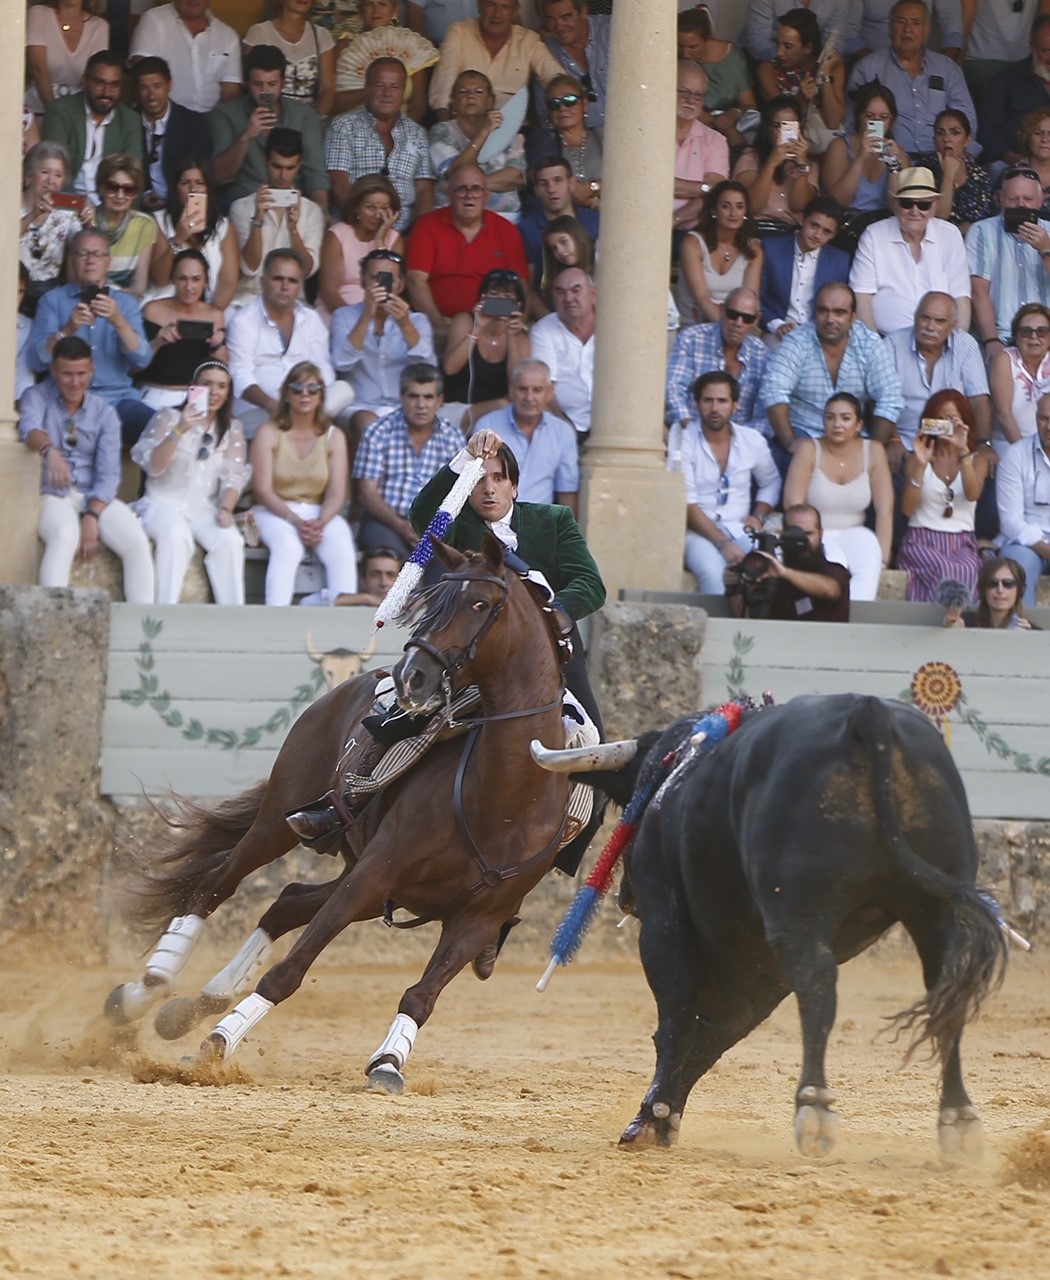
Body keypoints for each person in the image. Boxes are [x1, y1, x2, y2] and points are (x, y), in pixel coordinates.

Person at [286, 422, 607, 846]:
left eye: (498, 479)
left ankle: (555, 850)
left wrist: (557, 613)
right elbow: (423, 515)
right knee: (404, 718)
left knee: (595, 751)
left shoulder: (553, 520)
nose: (489, 490)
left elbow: (589, 582)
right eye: (479, 481)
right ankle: (345, 805)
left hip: (548, 655)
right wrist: (463, 461)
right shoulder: (459, 524)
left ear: (514, 485)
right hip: (469, 656)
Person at [17, 335, 154, 602]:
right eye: (67, 374)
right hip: (51, 495)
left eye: (81, 373)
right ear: (54, 370)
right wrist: (50, 450)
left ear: (91, 370)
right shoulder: (36, 396)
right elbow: (29, 429)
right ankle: (52, 622)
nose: (75, 381)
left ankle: (143, 631)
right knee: (65, 534)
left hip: (93, 495)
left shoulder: (104, 412)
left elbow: (109, 473)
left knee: (136, 541)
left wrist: (92, 514)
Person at [131, 359, 250, 605]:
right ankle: (164, 614)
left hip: (203, 508)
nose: (214, 392)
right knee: (175, 536)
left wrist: (227, 508)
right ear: (193, 387)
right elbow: (154, 467)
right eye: (207, 384)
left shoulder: (232, 428)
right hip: (162, 502)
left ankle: (234, 621)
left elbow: (233, 477)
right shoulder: (168, 416)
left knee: (230, 540)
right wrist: (180, 429)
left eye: (221, 386)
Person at [759, 282, 904, 475]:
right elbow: (773, 390)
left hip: (851, 435)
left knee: (892, 469)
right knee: (788, 463)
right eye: (823, 311)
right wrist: (790, 442)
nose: (830, 319)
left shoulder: (869, 344)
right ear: (814, 313)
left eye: (839, 312)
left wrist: (873, 451)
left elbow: (890, 397)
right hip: (804, 430)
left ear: (853, 317)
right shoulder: (798, 341)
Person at [28, 228, 154, 447]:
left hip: (118, 400)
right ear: (71, 259)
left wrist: (119, 321)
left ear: (108, 262)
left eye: (97, 255)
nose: (90, 260)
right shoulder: (52, 301)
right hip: (67, 401)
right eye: (82, 254)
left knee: (156, 428)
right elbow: (36, 361)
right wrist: (67, 329)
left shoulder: (124, 304)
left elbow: (143, 359)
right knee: (71, 438)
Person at [249, 361, 359, 606]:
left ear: (321, 395)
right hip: (272, 510)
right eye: (297, 388)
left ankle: (344, 623)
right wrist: (296, 522)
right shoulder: (268, 431)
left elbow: (337, 493)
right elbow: (262, 489)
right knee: (287, 545)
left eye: (313, 388)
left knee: (341, 541)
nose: (304, 394)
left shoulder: (333, 435)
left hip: (317, 510)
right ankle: (275, 618)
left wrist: (319, 522)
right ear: (286, 394)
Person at [227, 248, 353, 435]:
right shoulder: (242, 321)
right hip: (261, 411)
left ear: (300, 286)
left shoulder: (311, 319)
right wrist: (274, 406)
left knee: (344, 389)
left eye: (292, 281)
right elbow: (240, 375)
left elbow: (323, 368)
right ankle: (303, 427)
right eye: (278, 279)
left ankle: (300, 423)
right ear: (262, 282)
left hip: (305, 402)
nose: (285, 286)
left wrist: (306, 398)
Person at [783, 392, 893, 599]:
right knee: (834, 566)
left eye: (845, 418)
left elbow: (885, 510)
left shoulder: (874, 450)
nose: (837, 424)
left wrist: (884, 559)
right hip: (817, 534)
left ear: (859, 425)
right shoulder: (808, 448)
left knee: (870, 564)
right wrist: (805, 544)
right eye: (830, 417)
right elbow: (793, 505)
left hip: (855, 531)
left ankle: (856, 625)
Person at [681, 370, 781, 594]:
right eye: (708, 400)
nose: (715, 408)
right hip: (698, 533)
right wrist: (723, 543)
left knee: (772, 566)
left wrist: (758, 516)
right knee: (714, 577)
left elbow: (771, 482)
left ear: (735, 405)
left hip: (741, 528)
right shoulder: (684, 440)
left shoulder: (752, 439)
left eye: (722, 401)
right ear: (697, 404)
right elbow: (686, 502)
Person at [405, 165, 529, 344]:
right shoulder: (427, 226)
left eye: (476, 189)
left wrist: (497, 324)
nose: (469, 195)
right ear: (449, 193)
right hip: (441, 321)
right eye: (461, 189)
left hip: (494, 322)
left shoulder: (505, 230)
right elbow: (415, 281)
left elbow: (521, 287)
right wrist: (438, 325)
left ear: (486, 195)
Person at [352, 361, 465, 554]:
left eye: (428, 397)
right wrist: (400, 526)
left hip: (436, 527)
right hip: (386, 522)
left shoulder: (453, 438)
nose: (421, 405)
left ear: (439, 401)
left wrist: (434, 528)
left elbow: (460, 493)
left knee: (450, 568)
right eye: (414, 396)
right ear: (401, 398)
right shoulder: (378, 432)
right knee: (387, 557)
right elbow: (367, 493)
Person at [847, 0, 976, 160]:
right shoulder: (867, 68)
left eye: (916, 23)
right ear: (890, 29)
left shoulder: (948, 69)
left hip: (942, 160)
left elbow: (966, 119)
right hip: (888, 161)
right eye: (901, 22)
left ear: (926, 31)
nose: (908, 29)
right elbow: (852, 125)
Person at [850, 167, 971, 336]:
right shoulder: (874, 234)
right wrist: (874, 348)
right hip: (886, 340)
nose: (915, 211)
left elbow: (961, 298)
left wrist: (958, 344)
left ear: (935, 206)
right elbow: (862, 298)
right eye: (907, 203)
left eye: (923, 205)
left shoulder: (949, 235)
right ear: (895, 205)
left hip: (940, 342)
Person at [210, 44, 329, 213]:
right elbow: (220, 176)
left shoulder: (304, 115)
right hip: (243, 206)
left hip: (291, 206)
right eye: (257, 84)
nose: (265, 92)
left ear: (283, 83)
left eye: (272, 84)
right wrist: (246, 136)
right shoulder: (224, 115)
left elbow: (315, 174)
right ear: (247, 83)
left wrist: (320, 214)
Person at [330, 248, 435, 438]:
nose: (381, 285)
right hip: (359, 406)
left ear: (400, 285)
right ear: (362, 281)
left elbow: (428, 370)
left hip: (405, 407)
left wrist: (404, 324)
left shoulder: (417, 321)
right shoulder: (343, 316)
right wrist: (366, 316)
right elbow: (341, 362)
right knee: (369, 424)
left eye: (388, 279)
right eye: (374, 278)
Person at [897, 389, 989, 601]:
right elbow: (907, 509)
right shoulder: (916, 458)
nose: (946, 425)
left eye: (952, 419)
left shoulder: (977, 460)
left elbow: (972, 494)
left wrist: (963, 450)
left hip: (961, 541)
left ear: (965, 422)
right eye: (940, 419)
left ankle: (957, 626)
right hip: (921, 539)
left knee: (966, 569)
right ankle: (941, 624)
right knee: (945, 569)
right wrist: (921, 464)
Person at [324, 56, 435, 231]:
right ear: (366, 89)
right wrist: (366, 230)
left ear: (403, 91)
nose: (387, 93)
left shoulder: (417, 133)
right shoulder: (344, 126)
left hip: (404, 231)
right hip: (356, 227)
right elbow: (339, 184)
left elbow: (424, 190)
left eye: (395, 87)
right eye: (379, 86)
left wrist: (417, 233)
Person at [882, 291, 991, 464]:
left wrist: (983, 443)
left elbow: (979, 399)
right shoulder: (893, 344)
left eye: (939, 321)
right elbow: (880, 400)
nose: (930, 327)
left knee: (986, 463)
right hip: (905, 444)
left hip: (954, 446)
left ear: (953, 325)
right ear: (915, 317)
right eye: (925, 318)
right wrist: (893, 440)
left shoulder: (966, 345)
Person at [229, 128, 326, 306]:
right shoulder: (241, 207)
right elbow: (250, 268)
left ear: (300, 164)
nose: (283, 175)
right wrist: (257, 221)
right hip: (247, 299)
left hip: (293, 302)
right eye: (277, 166)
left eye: (290, 168)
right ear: (265, 160)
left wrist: (293, 230)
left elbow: (306, 271)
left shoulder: (312, 211)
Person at [666, 287, 769, 446]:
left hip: (741, 444)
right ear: (722, 310)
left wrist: (740, 441)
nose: (738, 323)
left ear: (756, 320)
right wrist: (691, 430)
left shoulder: (762, 354)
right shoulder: (691, 339)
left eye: (747, 318)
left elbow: (765, 413)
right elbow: (673, 389)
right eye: (733, 315)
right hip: (691, 436)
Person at [471, 358, 579, 508]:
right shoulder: (487, 426)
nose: (529, 398)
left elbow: (567, 492)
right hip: (492, 521)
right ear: (511, 390)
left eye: (537, 390)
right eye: (522, 389)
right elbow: (477, 483)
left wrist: (567, 530)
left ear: (549, 393)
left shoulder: (562, 432)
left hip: (539, 522)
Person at [428, 0, 563, 117]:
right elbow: (442, 90)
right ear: (479, 5)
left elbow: (555, 77)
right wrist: (452, 133)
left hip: (510, 128)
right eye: (491, 5)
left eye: (505, 7)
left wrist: (570, 99)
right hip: (463, 124)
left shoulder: (529, 40)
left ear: (515, 11)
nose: (497, 14)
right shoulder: (459, 32)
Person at [724, 501, 851, 622]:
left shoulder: (835, 572)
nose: (802, 540)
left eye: (808, 533)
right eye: (795, 534)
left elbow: (830, 590)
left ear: (820, 533)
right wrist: (733, 588)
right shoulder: (773, 578)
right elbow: (750, 623)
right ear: (783, 534)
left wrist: (785, 573)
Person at [41, 50, 143, 200]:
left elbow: (132, 175)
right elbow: (55, 170)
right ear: (85, 81)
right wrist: (77, 205)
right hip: (65, 204)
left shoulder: (129, 120)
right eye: (100, 83)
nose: (106, 92)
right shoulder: (60, 111)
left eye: (114, 85)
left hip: (111, 206)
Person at [966, 166, 1050, 348]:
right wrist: (991, 340)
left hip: (1046, 338)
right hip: (1002, 336)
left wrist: (1046, 250)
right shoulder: (981, 231)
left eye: (1028, 199)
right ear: (1000, 199)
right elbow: (978, 292)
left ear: (1041, 199)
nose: (1021, 204)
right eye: (1013, 198)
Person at [429, 69, 526, 220]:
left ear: (490, 101)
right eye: (463, 92)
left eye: (479, 92)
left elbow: (517, 177)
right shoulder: (441, 131)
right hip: (452, 217)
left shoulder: (507, 131)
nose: (471, 96)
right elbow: (452, 173)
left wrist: (469, 188)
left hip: (504, 218)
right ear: (453, 101)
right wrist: (484, 131)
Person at [440, 268, 530, 430]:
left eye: (507, 298)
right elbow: (449, 368)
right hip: (455, 410)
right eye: (494, 295)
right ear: (483, 299)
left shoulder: (521, 338)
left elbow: (517, 386)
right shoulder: (465, 321)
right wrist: (477, 329)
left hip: (495, 418)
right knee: (503, 406)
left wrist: (511, 337)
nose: (500, 303)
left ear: (518, 305)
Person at [139, 249, 229, 409]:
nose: (189, 287)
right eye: (182, 279)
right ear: (173, 279)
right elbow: (134, 366)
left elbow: (221, 367)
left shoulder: (214, 315)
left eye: (196, 279)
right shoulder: (153, 310)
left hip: (198, 395)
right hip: (156, 392)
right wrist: (157, 342)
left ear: (205, 281)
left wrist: (217, 344)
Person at [147, 157, 239, 312]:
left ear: (208, 188)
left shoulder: (224, 227)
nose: (193, 189)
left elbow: (228, 281)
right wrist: (178, 238)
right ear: (175, 189)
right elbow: (160, 279)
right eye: (185, 183)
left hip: (212, 308)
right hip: (168, 308)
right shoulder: (159, 222)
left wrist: (210, 314)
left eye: (200, 183)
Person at [754, 7, 845, 156]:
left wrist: (825, 74)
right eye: (778, 44)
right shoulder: (768, 70)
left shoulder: (834, 66)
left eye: (788, 46)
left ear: (807, 48)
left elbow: (833, 122)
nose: (779, 52)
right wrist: (800, 100)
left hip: (825, 150)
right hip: (784, 148)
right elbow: (780, 123)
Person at [821, 82, 909, 234]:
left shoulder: (898, 153)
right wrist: (861, 157)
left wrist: (894, 166)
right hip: (847, 227)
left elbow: (896, 207)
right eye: (869, 116)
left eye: (884, 117)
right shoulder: (840, 146)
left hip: (885, 228)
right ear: (859, 116)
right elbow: (838, 200)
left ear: (891, 121)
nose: (876, 122)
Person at [759, 196, 850, 342]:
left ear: (833, 234)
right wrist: (777, 325)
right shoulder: (771, 248)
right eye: (814, 226)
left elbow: (841, 308)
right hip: (776, 332)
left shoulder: (839, 261)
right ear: (802, 219)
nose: (817, 235)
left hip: (818, 336)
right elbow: (757, 298)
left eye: (826, 231)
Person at [128, 0, 243, 115]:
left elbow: (231, 92)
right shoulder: (154, 20)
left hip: (212, 119)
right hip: (163, 117)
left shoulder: (227, 35)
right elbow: (142, 74)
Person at [20, 141, 94, 316]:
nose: (51, 181)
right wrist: (33, 216)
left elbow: (81, 247)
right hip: (11, 285)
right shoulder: (10, 204)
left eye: (58, 175)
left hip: (49, 291)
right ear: (29, 175)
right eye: (44, 172)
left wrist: (89, 224)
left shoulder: (67, 214)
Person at [332, 0, 437, 122]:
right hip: (351, 126)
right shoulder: (345, 45)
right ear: (361, 11)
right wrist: (368, 92)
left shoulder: (411, 45)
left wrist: (402, 133)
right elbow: (330, 103)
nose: (376, 11)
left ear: (395, 10)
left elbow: (418, 104)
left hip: (399, 126)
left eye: (383, 4)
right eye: (369, 4)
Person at [676, 180, 763, 328]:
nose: (733, 213)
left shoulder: (753, 250)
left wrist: (734, 329)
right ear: (713, 210)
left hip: (736, 328)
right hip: (695, 326)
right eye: (725, 206)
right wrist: (728, 328)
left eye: (740, 207)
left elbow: (750, 301)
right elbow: (702, 298)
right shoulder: (692, 243)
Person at [317, 173, 404, 321]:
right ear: (356, 208)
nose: (377, 215)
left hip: (380, 316)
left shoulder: (394, 239)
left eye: (384, 208)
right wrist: (352, 322)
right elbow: (329, 291)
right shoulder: (338, 234)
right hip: (337, 314)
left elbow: (386, 292)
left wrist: (380, 243)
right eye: (370, 207)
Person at [132, 56, 213, 212]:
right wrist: (145, 194)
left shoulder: (193, 122)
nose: (151, 95)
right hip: (139, 208)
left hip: (183, 207)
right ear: (136, 90)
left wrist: (172, 199)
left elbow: (200, 170)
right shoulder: (129, 120)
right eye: (144, 88)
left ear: (169, 85)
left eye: (157, 86)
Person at [731, 97, 819, 235]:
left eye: (789, 126)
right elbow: (752, 207)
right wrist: (771, 163)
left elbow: (799, 206)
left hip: (789, 234)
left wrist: (801, 164)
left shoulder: (809, 165)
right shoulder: (750, 157)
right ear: (767, 129)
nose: (783, 132)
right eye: (777, 126)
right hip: (755, 230)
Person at [675, 6, 757, 153]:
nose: (685, 53)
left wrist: (734, 113)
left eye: (693, 47)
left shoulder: (732, 58)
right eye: (680, 46)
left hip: (730, 126)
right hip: (689, 125)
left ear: (708, 39)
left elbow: (749, 104)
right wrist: (710, 120)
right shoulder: (674, 57)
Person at [517, 155, 599, 297]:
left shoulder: (596, 222)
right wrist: (550, 318)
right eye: (543, 184)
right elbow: (527, 290)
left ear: (571, 183)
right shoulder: (525, 230)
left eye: (558, 180)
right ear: (536, 190)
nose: (551, 189)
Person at [996, 390, 1050, 605]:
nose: (1049, 427)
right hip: (1027, 545)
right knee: (1017, 566)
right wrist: (1045, 548)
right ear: (1036, 418)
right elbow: (1010, 521)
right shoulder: (1016, 455)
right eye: (1044, 418)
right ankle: (1016, 634)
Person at [529, 265, 596, 438]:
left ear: (593, 294)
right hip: (564, 423)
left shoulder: (614, 326)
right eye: (560, 292)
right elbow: (544, 388)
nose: (568, 298)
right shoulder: (543, 330)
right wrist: (564, 427)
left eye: (576, 290)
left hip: (612, 424)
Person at [244, 0, 336, 117]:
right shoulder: (259, 33)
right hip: (269, 117)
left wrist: (315, 121)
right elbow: (256, 84)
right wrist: (268, 120)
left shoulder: (322, 35)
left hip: (309, 117)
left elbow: (327, 89)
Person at [980, 14, 1050, 165]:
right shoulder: (1006, 80)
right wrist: (1012, 158)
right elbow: (987, 131)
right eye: (1046, 51)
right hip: (1014, 165)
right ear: (1032, 46)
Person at [672, 60, 730, 236]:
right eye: (684, 92)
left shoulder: (715, 140)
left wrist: (672, 221)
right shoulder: (648, 132)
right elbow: (645, 182)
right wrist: (703, 188)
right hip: (643, 225)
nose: (691, 100)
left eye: (698, 95)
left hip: (693, 233)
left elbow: (715, 195)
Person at [25, 0, 109, 119]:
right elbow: (38, 69)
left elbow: (96, 76)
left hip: (78, 112)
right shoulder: (39, 14)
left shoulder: (99, 26)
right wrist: (55, 113)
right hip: (38, 109)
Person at [989, 303, 1050, 456]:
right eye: (1026, 331)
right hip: (1009, 445)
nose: (1034, 336)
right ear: (1015, 336)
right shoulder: (1004, 359)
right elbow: (1003, 414)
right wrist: (1027, 456)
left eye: (1042, 331)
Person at [539, 0, 611, 130]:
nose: (559, 26)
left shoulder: (611, 31)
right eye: (551, 19)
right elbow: (545, 115)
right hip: (582, 142)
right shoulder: (544, 54)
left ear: (583, 11)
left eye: (566, 17)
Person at [93, 154, 158, 296]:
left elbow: (139, 287)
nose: (120, 195)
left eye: (128, 190)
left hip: (125, 301)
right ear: (101, 188)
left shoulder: (144, 224)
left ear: (136, 193)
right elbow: (74, 279)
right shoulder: (86, 220)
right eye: (112, 187)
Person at [930, 108, 992, 232]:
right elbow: (939, 219)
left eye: (955, 132)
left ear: (967, 140)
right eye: (940, 133)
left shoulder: (979, 175)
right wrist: (948, 176)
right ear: (934, 139)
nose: (947, 139)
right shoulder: (924, 170)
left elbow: (981, 221)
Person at [944, 556, 1038, 628]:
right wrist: (951, 627)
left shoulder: (1030, 630)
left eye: (1008, 584)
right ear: (982, 589)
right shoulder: (966, 622)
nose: (1000, 590)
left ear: (1020, 590)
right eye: (993, 583)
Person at [746, 0, 848, 64]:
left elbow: (835, 42)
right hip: (767, 60)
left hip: (811, 63)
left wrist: (820, 65)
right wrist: (791, 58)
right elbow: (758, 43)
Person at [539, 215, 594, 307]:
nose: (559, 251)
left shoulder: (602, 258)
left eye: (563, 242)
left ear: (578, 236)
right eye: (554, 248)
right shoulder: (559, 278)